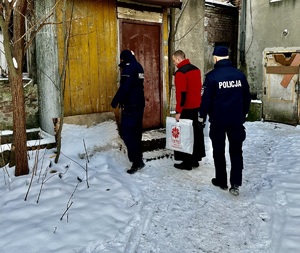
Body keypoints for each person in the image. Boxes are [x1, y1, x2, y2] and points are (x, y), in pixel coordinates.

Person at [199, 46, 251, 196]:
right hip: (236, 120)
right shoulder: (240, 75)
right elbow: (246, 97)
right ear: (227, 57)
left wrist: (201, 116)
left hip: (218, 121)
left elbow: (205, 101)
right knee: (236, 151)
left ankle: (221, 180)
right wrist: (244, 114)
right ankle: (235, 183)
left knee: (218, 151)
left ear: (215, 58)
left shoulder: (212, 77)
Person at [111, 49, 145, 174]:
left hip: (131, 106)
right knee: (136, 133)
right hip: (139, 104)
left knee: (128, 133)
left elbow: (125, 87)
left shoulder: (129, 68)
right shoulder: (139, 66)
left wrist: (115, 101)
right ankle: (138, 159)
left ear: (124, 59)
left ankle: (136, 162)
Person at [172, 50, 206, 171]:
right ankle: (195, 159)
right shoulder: (196, 69)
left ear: (179, 59)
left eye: (174, 60)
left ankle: (186, 162)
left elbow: (181, 94)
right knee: (196, 134)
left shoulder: (180, 73)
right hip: (197, 106)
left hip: (186, 108)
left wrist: (178, 111)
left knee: (185, 135)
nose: (174, 63)